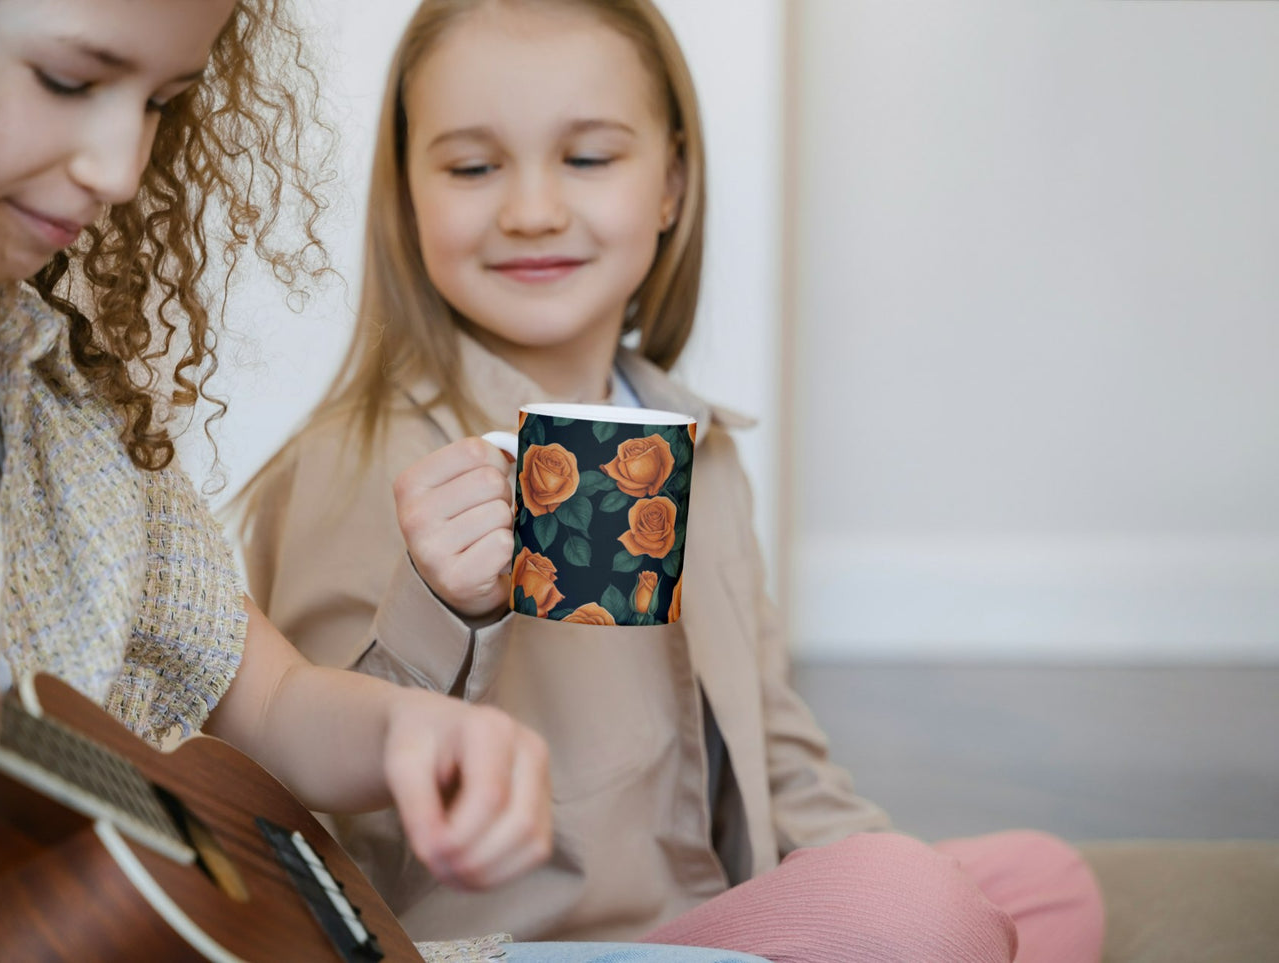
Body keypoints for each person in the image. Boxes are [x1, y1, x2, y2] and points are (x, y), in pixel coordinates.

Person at [0, 3, 767, 962]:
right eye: (68, 82)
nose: (119, 169)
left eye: (163, 101)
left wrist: (413, 730)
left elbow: (275, 702)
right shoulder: (354, 463)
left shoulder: (72, 407)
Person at [236, 1, 1107, 961]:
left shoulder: (703, 453)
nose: (531, 209)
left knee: (1033, 878)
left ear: (669, 186)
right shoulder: (358, 461)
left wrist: (888, 874)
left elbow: (775, 748)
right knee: (912, 905)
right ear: (407, 196)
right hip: (512, 946)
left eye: (588, 158)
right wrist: (437, 605)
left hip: (707, 919)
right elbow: (304, 815)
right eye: (473, 167)